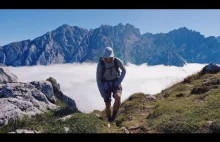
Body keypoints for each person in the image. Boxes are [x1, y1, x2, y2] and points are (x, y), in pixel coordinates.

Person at [96, 47, 126, 122]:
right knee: (107, 103)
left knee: (118, 97)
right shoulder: (100, 65)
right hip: (105, 84)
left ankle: (114, 116)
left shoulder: (117, 61)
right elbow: (98, 80)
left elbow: (124, 71)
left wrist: (119, 82)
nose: (109, 58)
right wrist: (102, 93)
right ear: (104, 57)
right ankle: (110, 119)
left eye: (111, 57)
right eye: (108, 57)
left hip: (116, 82)